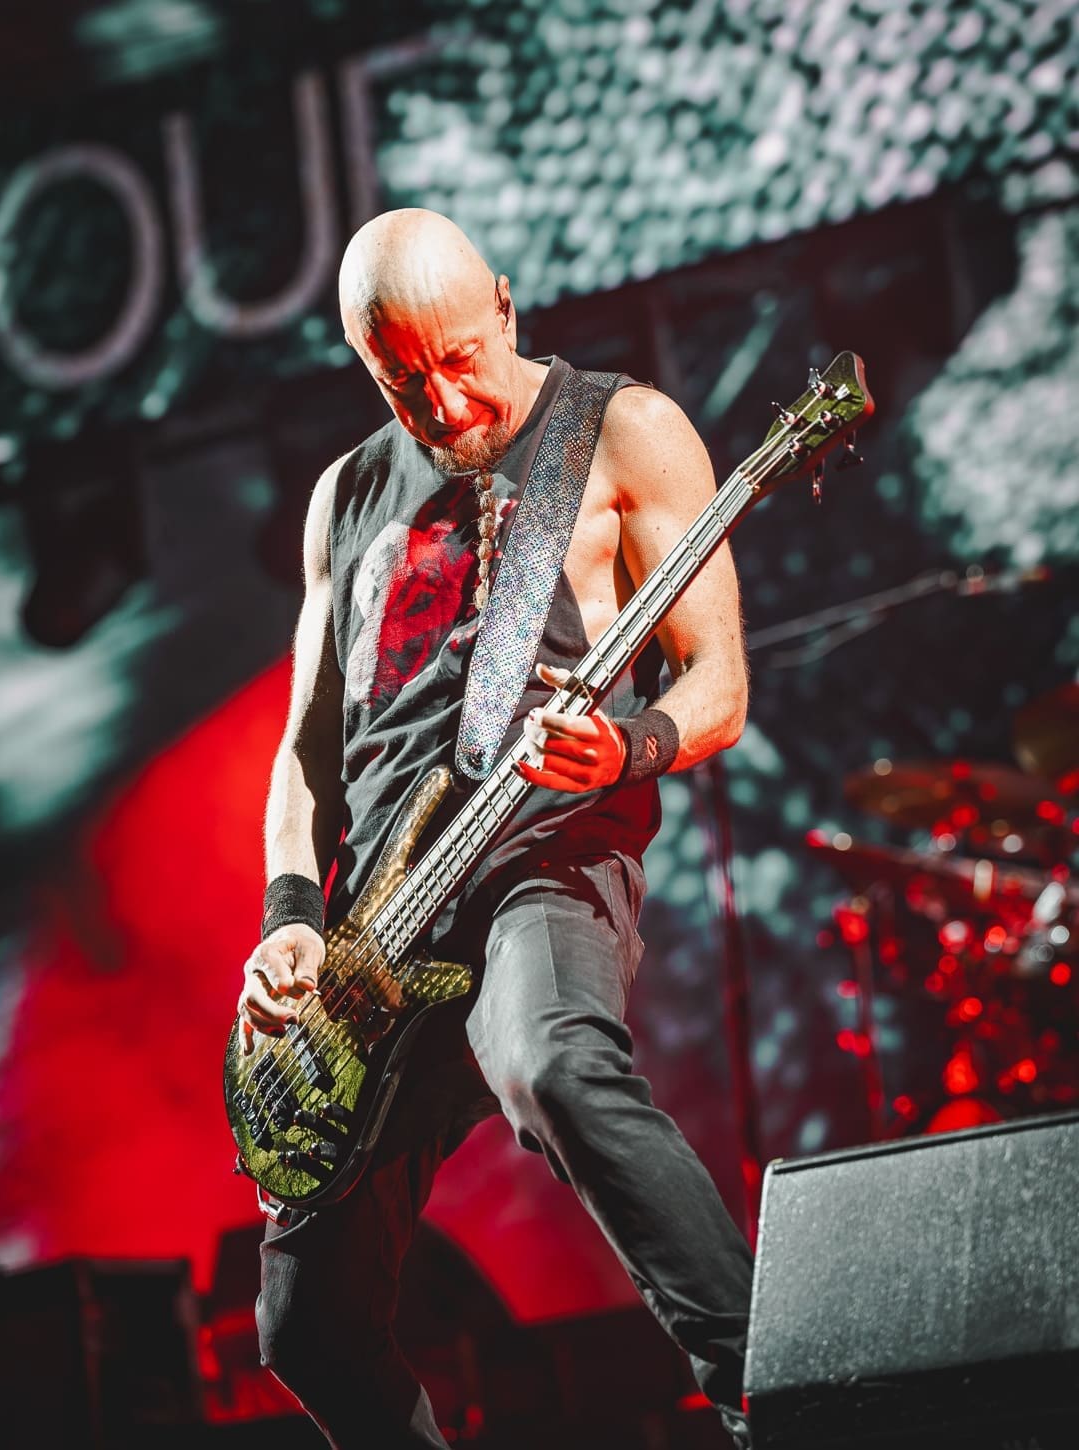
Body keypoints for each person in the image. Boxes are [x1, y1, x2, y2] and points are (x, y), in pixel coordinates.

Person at [235, 208, 754, 1449]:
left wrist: (627, 746)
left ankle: (773, 1384)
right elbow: (306, 749)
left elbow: (718, 679)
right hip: (376, 927)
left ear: (506, 306)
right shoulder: (345, 495)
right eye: (400, 379)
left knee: (549, 1059)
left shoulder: (620, 430)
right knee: (303, 1326)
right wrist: (291, 917)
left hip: (544, 854)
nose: (442, 401)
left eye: (460, 357)